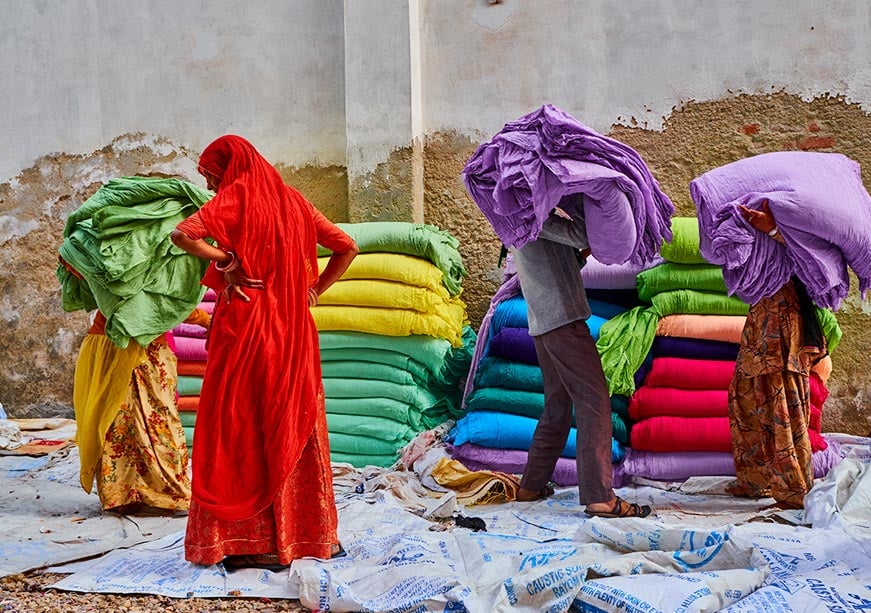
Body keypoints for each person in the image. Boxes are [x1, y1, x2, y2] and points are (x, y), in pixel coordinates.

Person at [170, 135, 358, 569]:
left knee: (238, 427)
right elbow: (348, 246)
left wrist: (225, 260)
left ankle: (243, 542)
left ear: (228, 169)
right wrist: (314, 289)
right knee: (294, 420)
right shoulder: (296, 202)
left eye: (211, 174)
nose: (210, 184)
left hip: (247, 327)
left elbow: (183, 235)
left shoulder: (235, 197)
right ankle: (308, 536)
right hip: (293, 329)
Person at [510, 204, 652, 519]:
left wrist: (580, 255)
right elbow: (580, 233)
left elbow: (554, 258)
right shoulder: (532, 217)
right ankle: (601, 498)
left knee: (557, 407)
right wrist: (578, 203)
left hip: (544, 323)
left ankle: (531, 485)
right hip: (563, 321)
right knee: (594, 401)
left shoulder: (515, 219)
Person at [63, 257, 207, 513]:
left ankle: (142, 495)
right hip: (123, 347)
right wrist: (205, 319)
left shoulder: (151, 252)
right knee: (125, 422)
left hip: (122, 345)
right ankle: (135, 495)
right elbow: (162, 298)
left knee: (133, 421)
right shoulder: (127, 252)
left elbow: (165, 296)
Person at [730, 200, 828, 509]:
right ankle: (756, 479)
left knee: (783, 401)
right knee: (745, 396)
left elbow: (811, 259)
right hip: (762, 315)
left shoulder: (797, 228)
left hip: (784, 320)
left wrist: (773, 229)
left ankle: (793, 488)